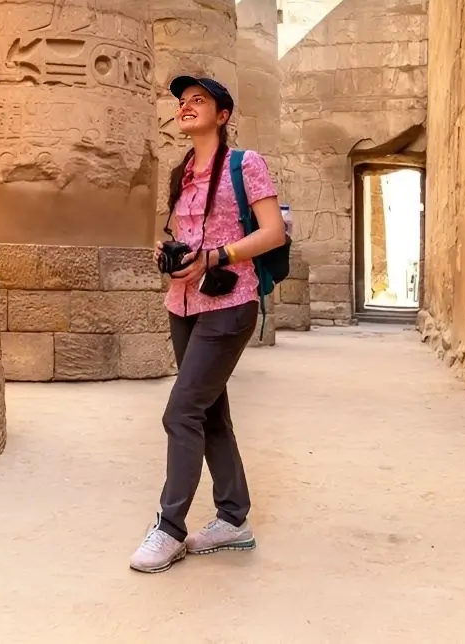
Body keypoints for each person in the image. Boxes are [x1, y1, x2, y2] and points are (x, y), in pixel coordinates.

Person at [129, 75, 287, 574]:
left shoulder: (246, 164)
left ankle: (170, 528)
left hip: (229, 302)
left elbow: (273, 232)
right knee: (208, 410)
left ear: (222, 115)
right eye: (182, 101)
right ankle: (233, 518)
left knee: (180, 413)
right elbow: (188, 236)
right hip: (184, 305)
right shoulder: (182, 174)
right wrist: (170, 252)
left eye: (199, 100)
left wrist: (217, 255)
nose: (186, 106)